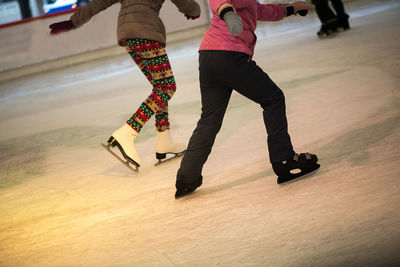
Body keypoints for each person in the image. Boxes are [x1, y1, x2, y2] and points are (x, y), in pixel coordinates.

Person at [174, 0, 320, 198]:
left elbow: (261, 10)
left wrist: (293, 7)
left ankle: (186, 178)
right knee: (273, 98)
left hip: (209, 55)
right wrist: (228, 14)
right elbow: (220, 1)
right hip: (229, 55)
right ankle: (284, 159)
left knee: (209, 118)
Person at [49, 0, 201, 171]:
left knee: (159, 87)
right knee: (166, 87)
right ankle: (128, 132)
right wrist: (194, 11)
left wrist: (73, 22)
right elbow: (187, 4)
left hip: (127, 34)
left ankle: (164, 138)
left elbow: (98, 3)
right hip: (147, 32)